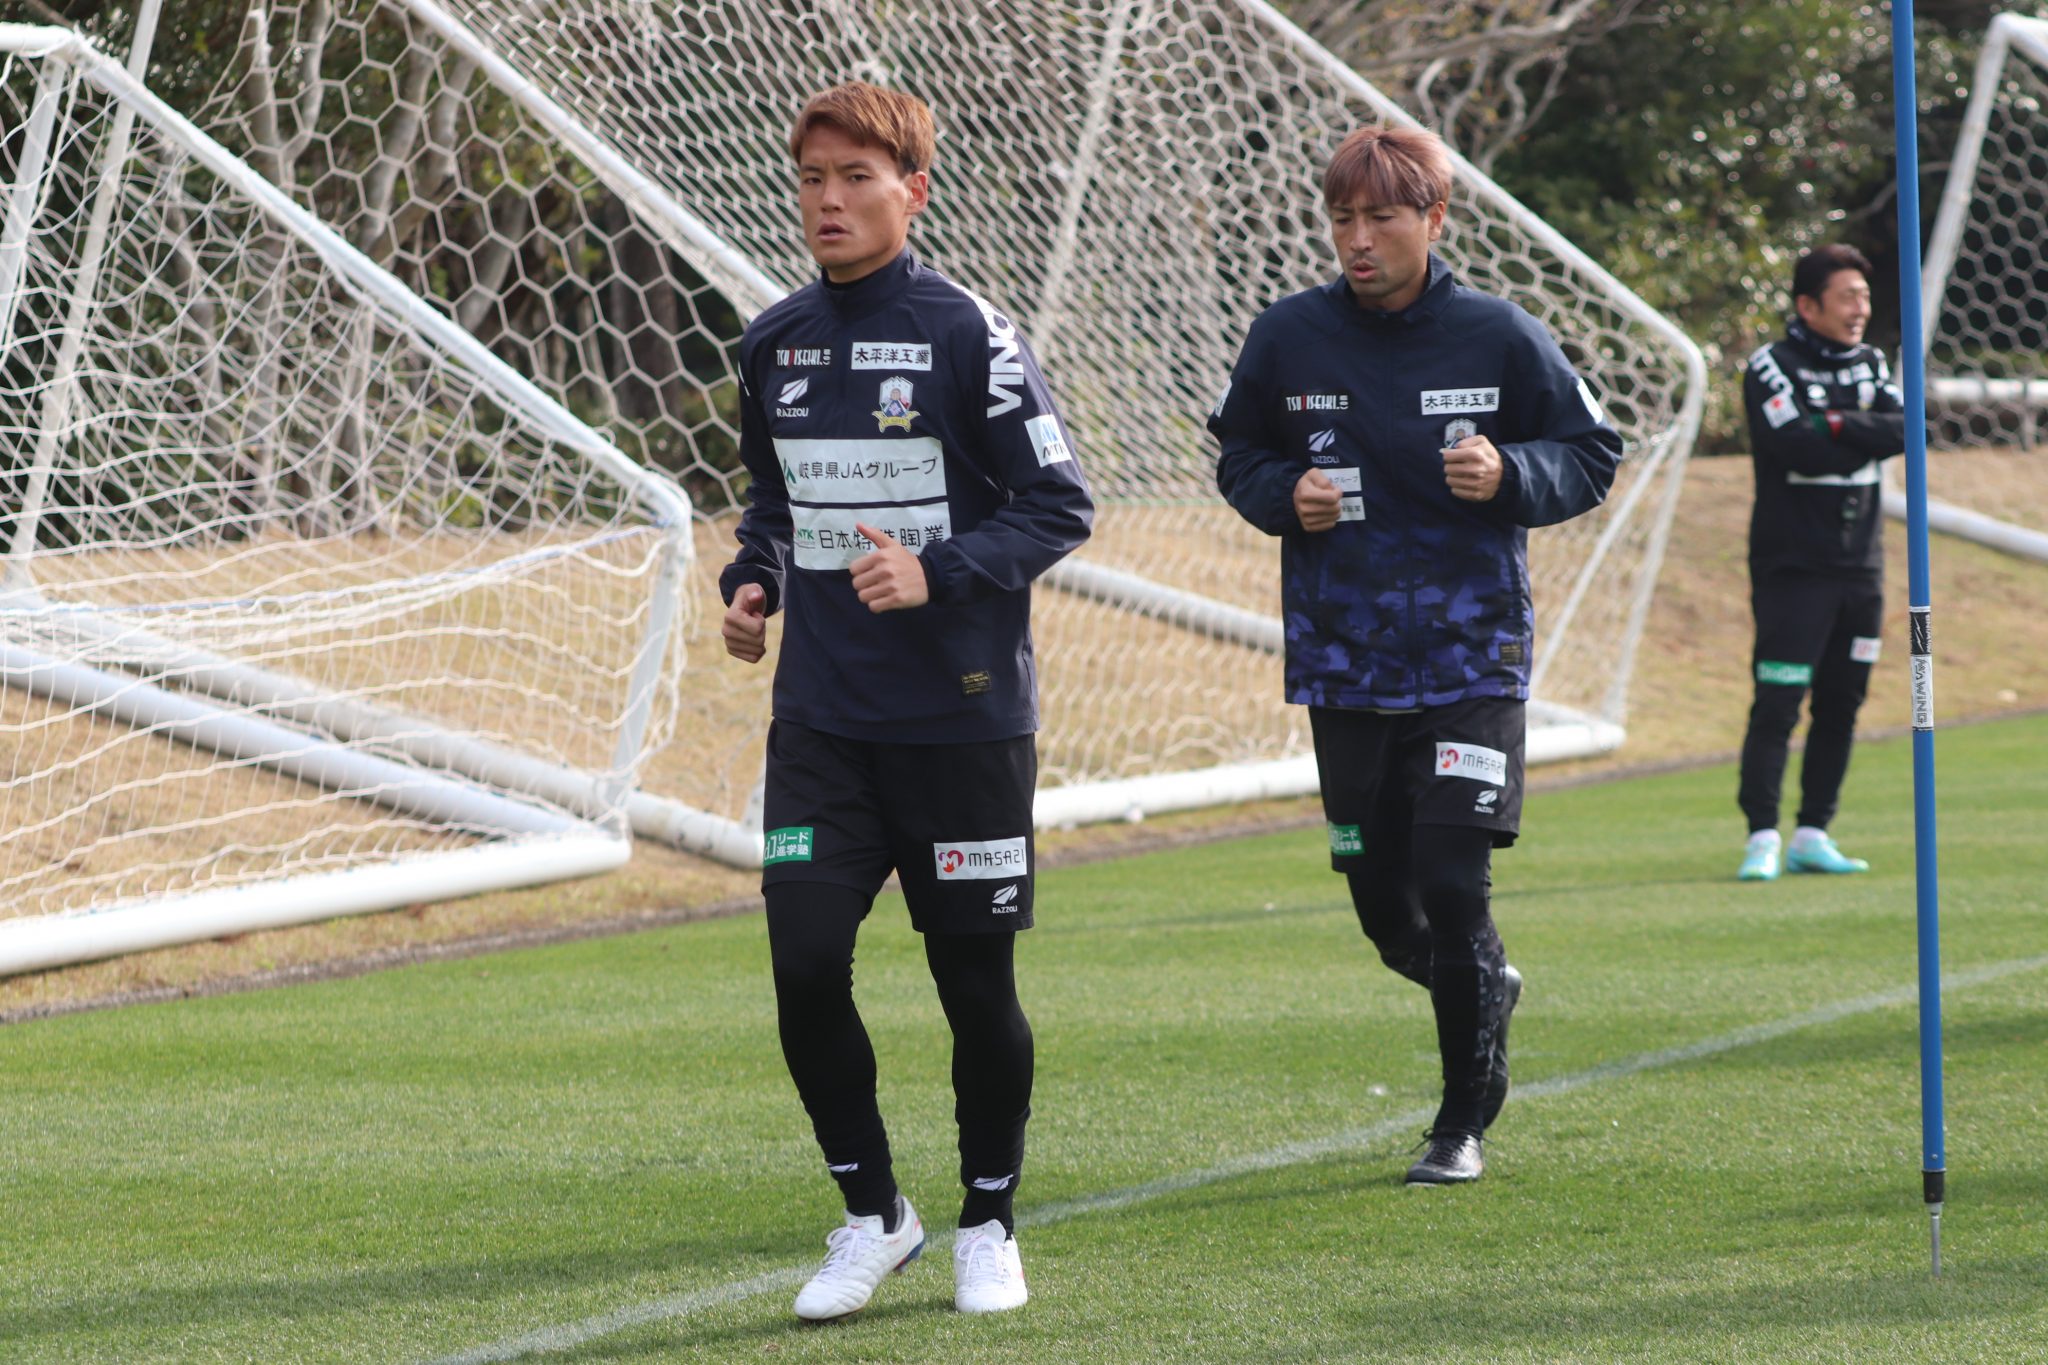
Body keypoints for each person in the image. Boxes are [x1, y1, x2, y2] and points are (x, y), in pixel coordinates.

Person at [718, 81, 1092, 1320]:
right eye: (811, 179)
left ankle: (989, 1220)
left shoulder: (968, 335)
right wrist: (754, 583)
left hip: (963, 724)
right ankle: (875, 1215)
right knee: (802, 961)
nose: (827, 200)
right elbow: (773, 504)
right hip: (822, 724)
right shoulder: (772, 342)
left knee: (972, 988)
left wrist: (938, 570)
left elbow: (1059, 506)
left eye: (855, 178)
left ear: (911, 192)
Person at [1210, 125, 1620, 1185]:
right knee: (1384, 909)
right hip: (1344, 663)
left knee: (1452, 880)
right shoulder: (1287, 337)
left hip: (1472, 658)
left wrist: (1512, 473)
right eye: (1342, 218)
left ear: (1433, 219)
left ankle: (1459, 1123)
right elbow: (1239, 455)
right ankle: (1482, 985)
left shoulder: (1497, 334)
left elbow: (1589, 452)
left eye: (1382, 217)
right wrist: (1281, 494)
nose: (1359, 238)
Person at [1735, 244, 1907, 881]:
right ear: (1808, 306)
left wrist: (1833, 422)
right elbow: (1795, 447)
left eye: (1864, 296)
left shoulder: (1872, 364)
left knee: (1842, 702)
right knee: (1779, 701)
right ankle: (1761, 835)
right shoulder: (1771, 365)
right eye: (1847, 297)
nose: (1860, 308)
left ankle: (1813, 832)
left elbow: (1905, 429)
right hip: (1794, 569)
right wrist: (1857, 432)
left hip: (1862, 569)